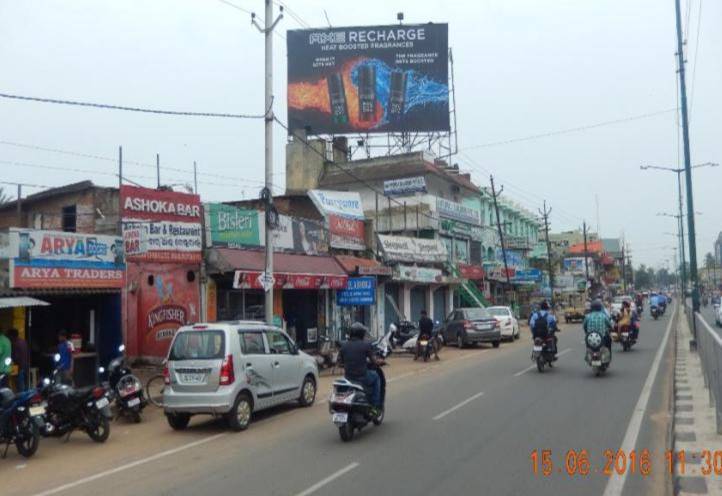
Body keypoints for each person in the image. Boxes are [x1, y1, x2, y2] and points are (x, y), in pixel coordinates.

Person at [337, 322, 381, 412]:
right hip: (362, 377)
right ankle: (375, 406)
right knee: (376, 377)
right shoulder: (366, 345)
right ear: (361, 333)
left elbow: (339, 363)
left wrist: (347, 364)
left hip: (348, 378)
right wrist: (379, 362)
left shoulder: (344, 345)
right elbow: (374, 361)